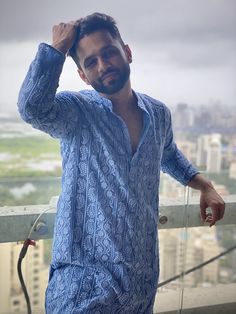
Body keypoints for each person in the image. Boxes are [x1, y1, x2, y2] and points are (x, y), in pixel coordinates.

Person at [18, 12, 225, 314]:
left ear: (127, 52)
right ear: (82, 75)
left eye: (109, 52)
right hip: (82, 288)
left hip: (139, 285)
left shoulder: (158, 113)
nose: (103, 65)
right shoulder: (76, 112)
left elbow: (167, 154)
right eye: (90, 62)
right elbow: (32, 108)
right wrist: (57, 49)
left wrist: (204, 184)